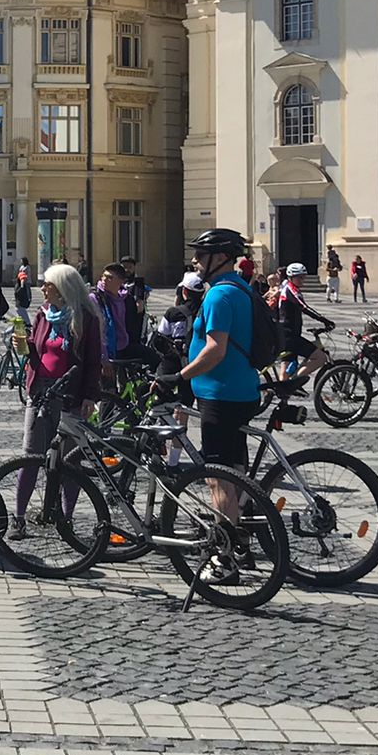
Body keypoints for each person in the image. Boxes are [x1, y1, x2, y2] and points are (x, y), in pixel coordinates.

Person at [161, 229, 261, 552]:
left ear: (219, 258)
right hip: (240, 391)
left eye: (200, 256)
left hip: (221, 394)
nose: (194, 261)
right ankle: (238, 542)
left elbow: (216, 350)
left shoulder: (219, 295)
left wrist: (181, 375)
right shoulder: (240, 288)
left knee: (217, 477)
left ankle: (226, 555)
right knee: (234, 471)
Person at [8, 263, 103, 540]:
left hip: (71, 396)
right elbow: (35, 352)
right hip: (41, 393)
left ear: (62, 287)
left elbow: (93, 361)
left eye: (47, 284)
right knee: (31, 456)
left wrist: (89, 395)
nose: (42, 289)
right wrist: (23, 348)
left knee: (70, 462)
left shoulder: (85, 317)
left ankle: (66, 519)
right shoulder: (43, 314)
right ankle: (19, 517)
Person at [277, 261, 335, 374]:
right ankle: (295, 382)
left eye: (303, 277)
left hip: (286, 333)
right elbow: (304, 308)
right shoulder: (291, 290)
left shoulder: (289, 288)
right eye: (299, 278)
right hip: (290, 335)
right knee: (320, 358)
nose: (302, 280)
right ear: (291, 277)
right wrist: (324, 320)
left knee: (286, 367)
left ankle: (283, 390)